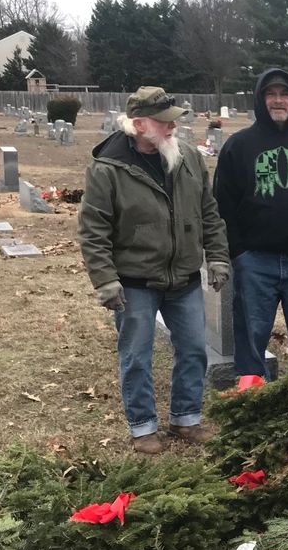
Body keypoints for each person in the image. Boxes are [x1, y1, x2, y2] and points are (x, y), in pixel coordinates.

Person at [78, 86, 230, 454]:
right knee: (136, 355)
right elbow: (93, 229)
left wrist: (219, 256)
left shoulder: (190, 159)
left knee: (194, 348)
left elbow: (209, 213)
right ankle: (143, 426)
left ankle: (186, 418)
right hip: (135, 282)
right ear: (139, 124)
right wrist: (106, 280)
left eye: (173, 119)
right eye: (163, 122)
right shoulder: (108, 169)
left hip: (183, 279)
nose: (172, 127)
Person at [214, 68, 288, 378]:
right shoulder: (238, 146)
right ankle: (253, 400)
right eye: (271, 94)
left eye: (284, 94)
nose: (278, 100)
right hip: (255, 262)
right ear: (259, 99)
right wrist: (238, 252)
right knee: (251, 336)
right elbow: (222, 203)